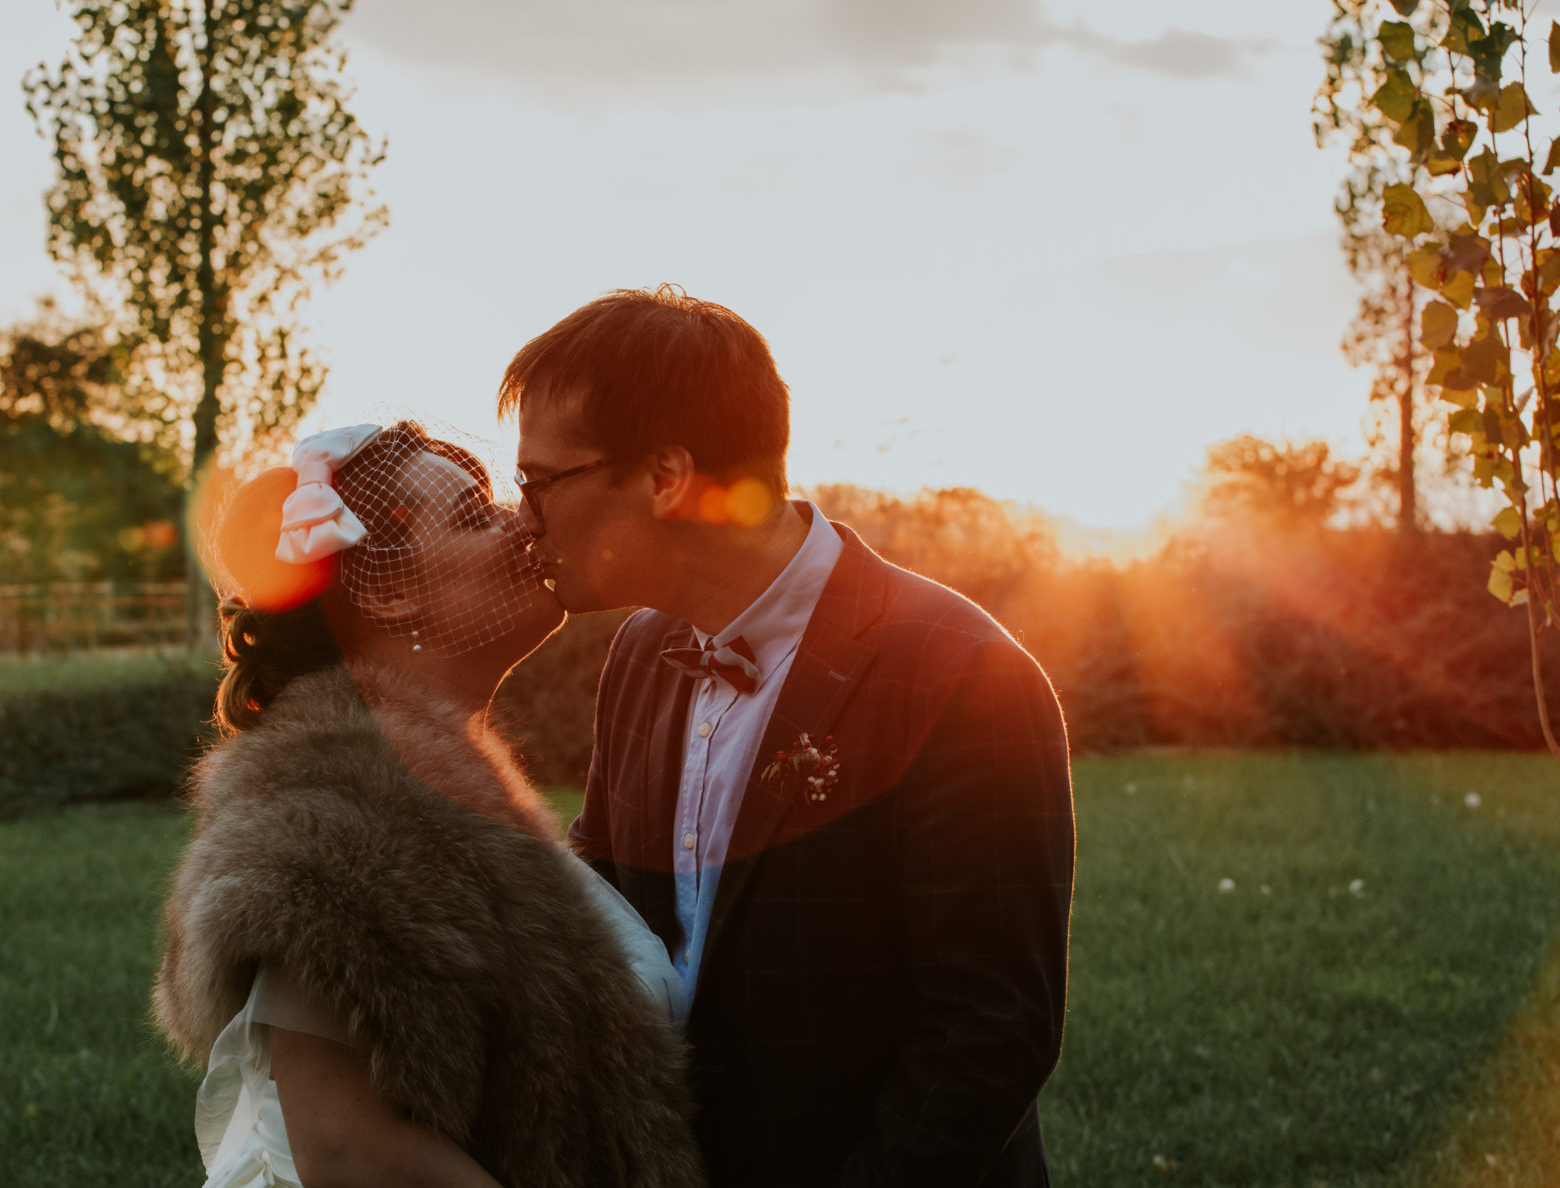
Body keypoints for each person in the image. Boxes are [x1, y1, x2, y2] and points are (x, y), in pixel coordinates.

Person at [500, 288, 1077, 1188]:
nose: (521, 514)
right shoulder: (641, 654)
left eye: (540, 480)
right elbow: (605, 909)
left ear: (664, 477)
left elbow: (992, 1032)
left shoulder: (964, 675)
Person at [151, 420, 705, 1188]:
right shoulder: (331, 819)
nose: (525, 525)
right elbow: (349, 1151)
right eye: (477, 517)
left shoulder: (440, 788)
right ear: (385, 587)